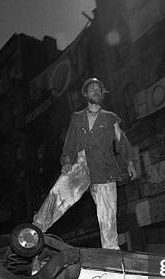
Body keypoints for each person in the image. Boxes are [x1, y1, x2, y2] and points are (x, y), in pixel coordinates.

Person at [33, 78, 137, 251]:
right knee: (59, 192)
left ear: (102, 94)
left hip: (104, 166)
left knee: (108, 211)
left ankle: (110, 249)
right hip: (82, 162)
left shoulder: (110, 118)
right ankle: (37, 227)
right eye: (92, 89)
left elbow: (122, 141)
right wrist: (67, 161)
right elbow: (70, 142)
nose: (96, 91)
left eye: (99, 89)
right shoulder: (77, 117)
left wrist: (130, 162)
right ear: (85, 94)